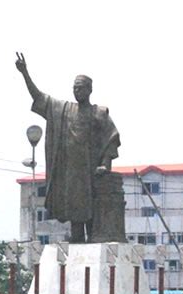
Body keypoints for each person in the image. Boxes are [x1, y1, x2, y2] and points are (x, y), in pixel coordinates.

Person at [15, 52, 121, 243]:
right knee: (76, 209)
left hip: (92, 171)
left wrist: (105, 164)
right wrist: (25, 73)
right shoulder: (63, 110)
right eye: (74, 88)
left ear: (89, 90)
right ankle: (78, 238)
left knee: (95, 212)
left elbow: (111, 138)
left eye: (80, 88)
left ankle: (95, 237)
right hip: (71, 172)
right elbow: (39, 97)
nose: (76, 91)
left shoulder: (99, 113)